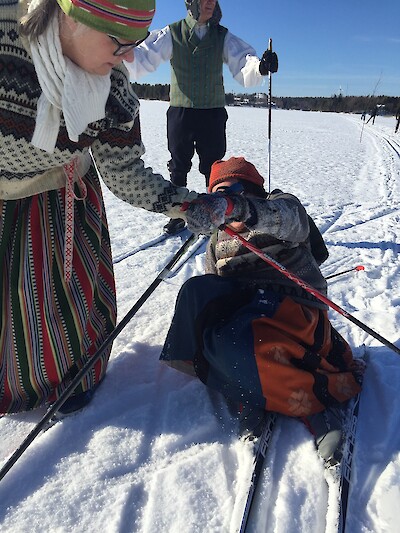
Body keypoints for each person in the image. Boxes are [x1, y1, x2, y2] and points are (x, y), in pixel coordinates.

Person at [0, 0, 228, 415]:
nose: (128, 56)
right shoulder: (6, 39)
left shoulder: (113, 89)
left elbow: (123, 170)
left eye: (135, 43)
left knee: (57, 304)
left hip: (60, 203)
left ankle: (72, 375)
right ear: (70, 17)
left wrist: (185, 204)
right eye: (118, 42)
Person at [160, 157, 363, 464]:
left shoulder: (278, 207)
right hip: (248, 316)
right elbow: (215, 287)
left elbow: (294, 220)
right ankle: (246, 386)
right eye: (217, 195)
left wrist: (237, 208)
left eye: (233, 191)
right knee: (199, 295)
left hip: (293, 310)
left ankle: (314, 405)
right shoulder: (219, 238)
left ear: (253, 191)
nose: (224, 202)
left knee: (250, 331)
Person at [126, 0, 278, 235]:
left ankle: (215, 213)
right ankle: (178, 214)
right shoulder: (172, 33)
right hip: (181, 111)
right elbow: (144, 56)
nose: (210, 3)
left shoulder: (222, 36)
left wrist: (260, 67)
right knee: (178, 166)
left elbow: (243, 61)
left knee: (213, 167)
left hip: (212, 113)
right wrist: (121, 47)